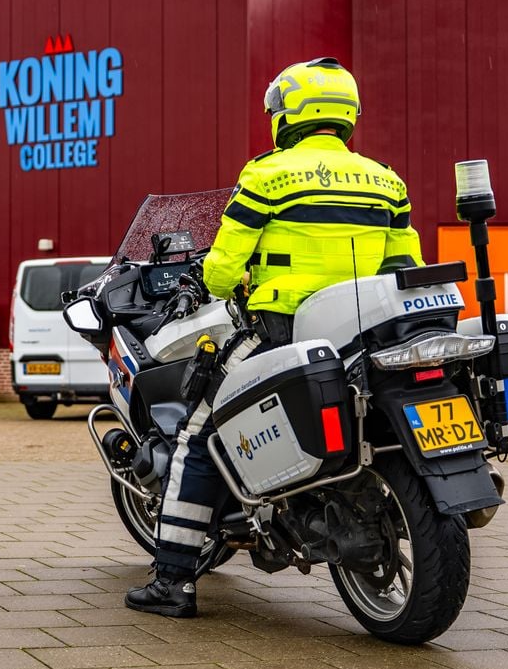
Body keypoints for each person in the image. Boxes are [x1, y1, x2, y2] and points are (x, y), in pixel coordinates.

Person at [125, 57, 424, 617]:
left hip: (282, 331)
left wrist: (218, 281)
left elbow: (221, 266)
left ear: (292, 112)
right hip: (363, 335)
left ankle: (173, 581)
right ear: (347, 112)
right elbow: (405, 262)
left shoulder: (268, 175)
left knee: (199, 435)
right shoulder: (387, 180)